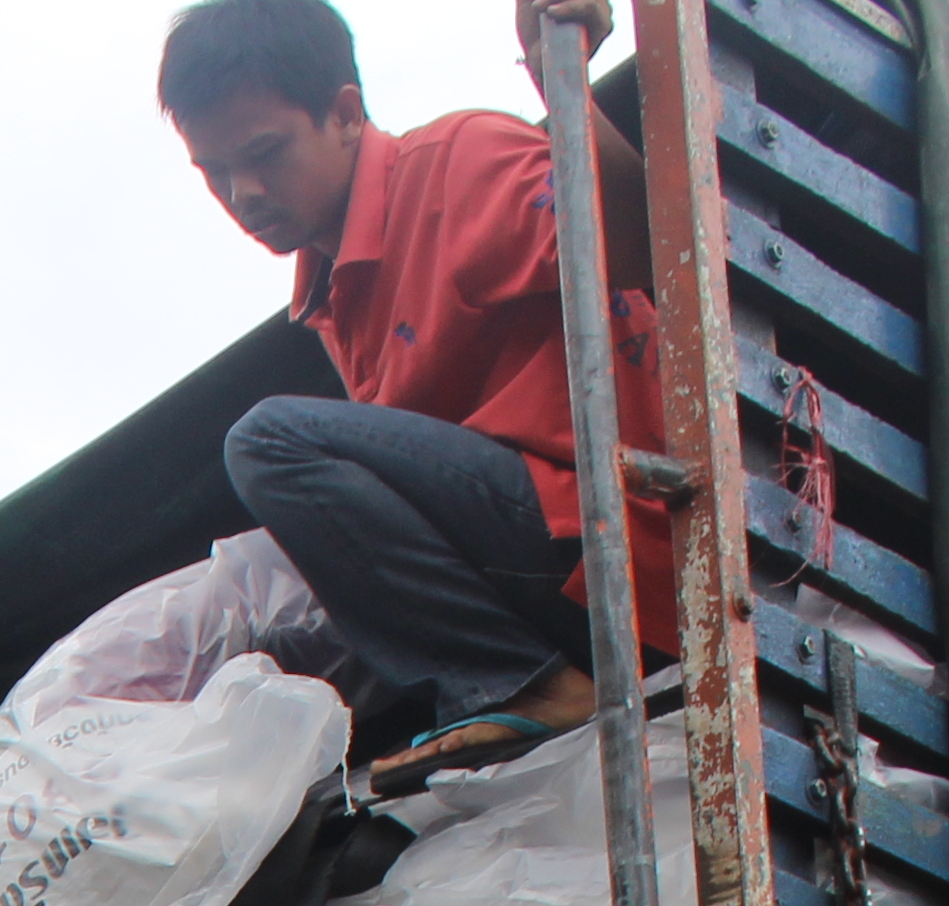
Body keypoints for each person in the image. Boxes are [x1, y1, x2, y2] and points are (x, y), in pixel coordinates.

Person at [168, 0, 674, 787]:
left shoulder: (457, 164)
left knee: (267, 442)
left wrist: (556, 78)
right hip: (537, 562)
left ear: (344, 113)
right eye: (215, 172)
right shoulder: (332, 297)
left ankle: (524, 685)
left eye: (265, 153)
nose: (243, 191)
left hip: (619, 532)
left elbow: (645, 241)